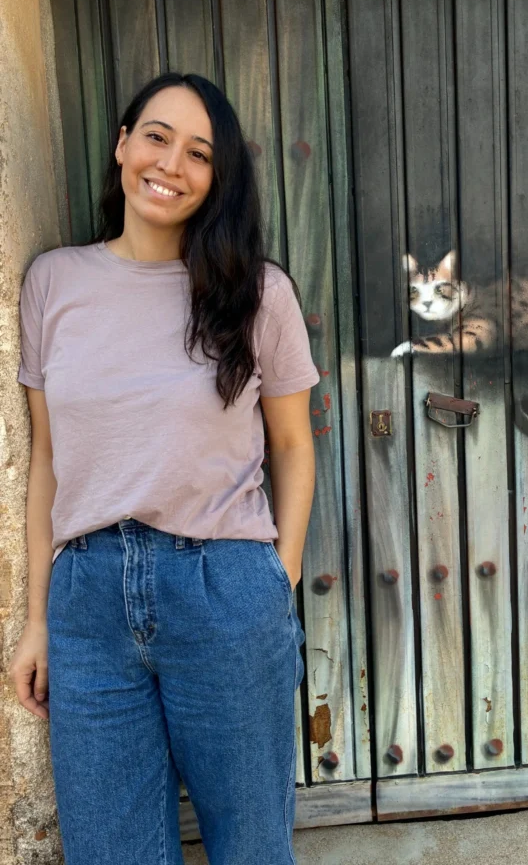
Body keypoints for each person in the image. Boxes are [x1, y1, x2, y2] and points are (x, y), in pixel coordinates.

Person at [8, 72, 319, 865]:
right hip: (88, 607)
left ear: (217, 179)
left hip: (223, 589)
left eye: (199, 152)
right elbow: (49, 458)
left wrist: (272, 582)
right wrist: (38, 618)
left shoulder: (257, 293)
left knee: (251, 849)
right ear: (121, 145)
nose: (170, 163)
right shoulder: (53, 283)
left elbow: (291, 445)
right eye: (156, 136)